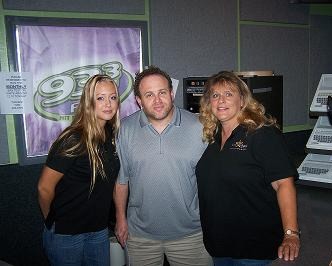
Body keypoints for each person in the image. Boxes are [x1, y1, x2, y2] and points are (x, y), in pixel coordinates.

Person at [196, 71, 300, 266]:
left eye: (229, 94)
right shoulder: (211, 138)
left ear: (242, 100)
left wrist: (291, 233)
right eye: (215, 95)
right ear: (209, 103)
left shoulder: (262, 134)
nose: (221, 100)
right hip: (219, 245)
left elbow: (284, 184)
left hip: (253, 249)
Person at [114, 66, 212, 266]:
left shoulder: (200, 127)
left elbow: (214, 181)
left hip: (191, 235)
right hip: (140, 237)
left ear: (171, 93)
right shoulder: (124, 130)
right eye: (149, 95)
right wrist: (120, 219)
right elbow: (121, 182)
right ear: (139, 101)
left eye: (162, 93)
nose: (157, 100)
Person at [37, 74, 120, 266]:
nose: (108, 103)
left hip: (98, 230)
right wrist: (52, 222)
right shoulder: (73, 139)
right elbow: (44, 188)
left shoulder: (111, 135)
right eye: (100, 98)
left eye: (113, 97)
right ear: (88, 102)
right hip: (67, 234)